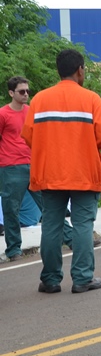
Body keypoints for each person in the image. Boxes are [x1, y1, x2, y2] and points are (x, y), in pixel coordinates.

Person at [22, 49, 101, 294]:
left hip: (49, 173)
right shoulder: (91, 99)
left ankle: (50, 280)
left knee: (51, 224)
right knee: (83, 224)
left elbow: (28, 136)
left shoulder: (39, 100)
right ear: (80, 70)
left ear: (58, 71)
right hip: (84, 172)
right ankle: (83, 278)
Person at [0, 76, 37, 262]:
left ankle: (71, 240)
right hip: (11, 167)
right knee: (11, 210)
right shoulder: (3, 114)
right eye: (22, 91)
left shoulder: (31, 111)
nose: (26, 94)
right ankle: (14, 250)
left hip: (33, 164)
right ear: (11, 93)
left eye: (27, 91)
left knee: (50, 205)